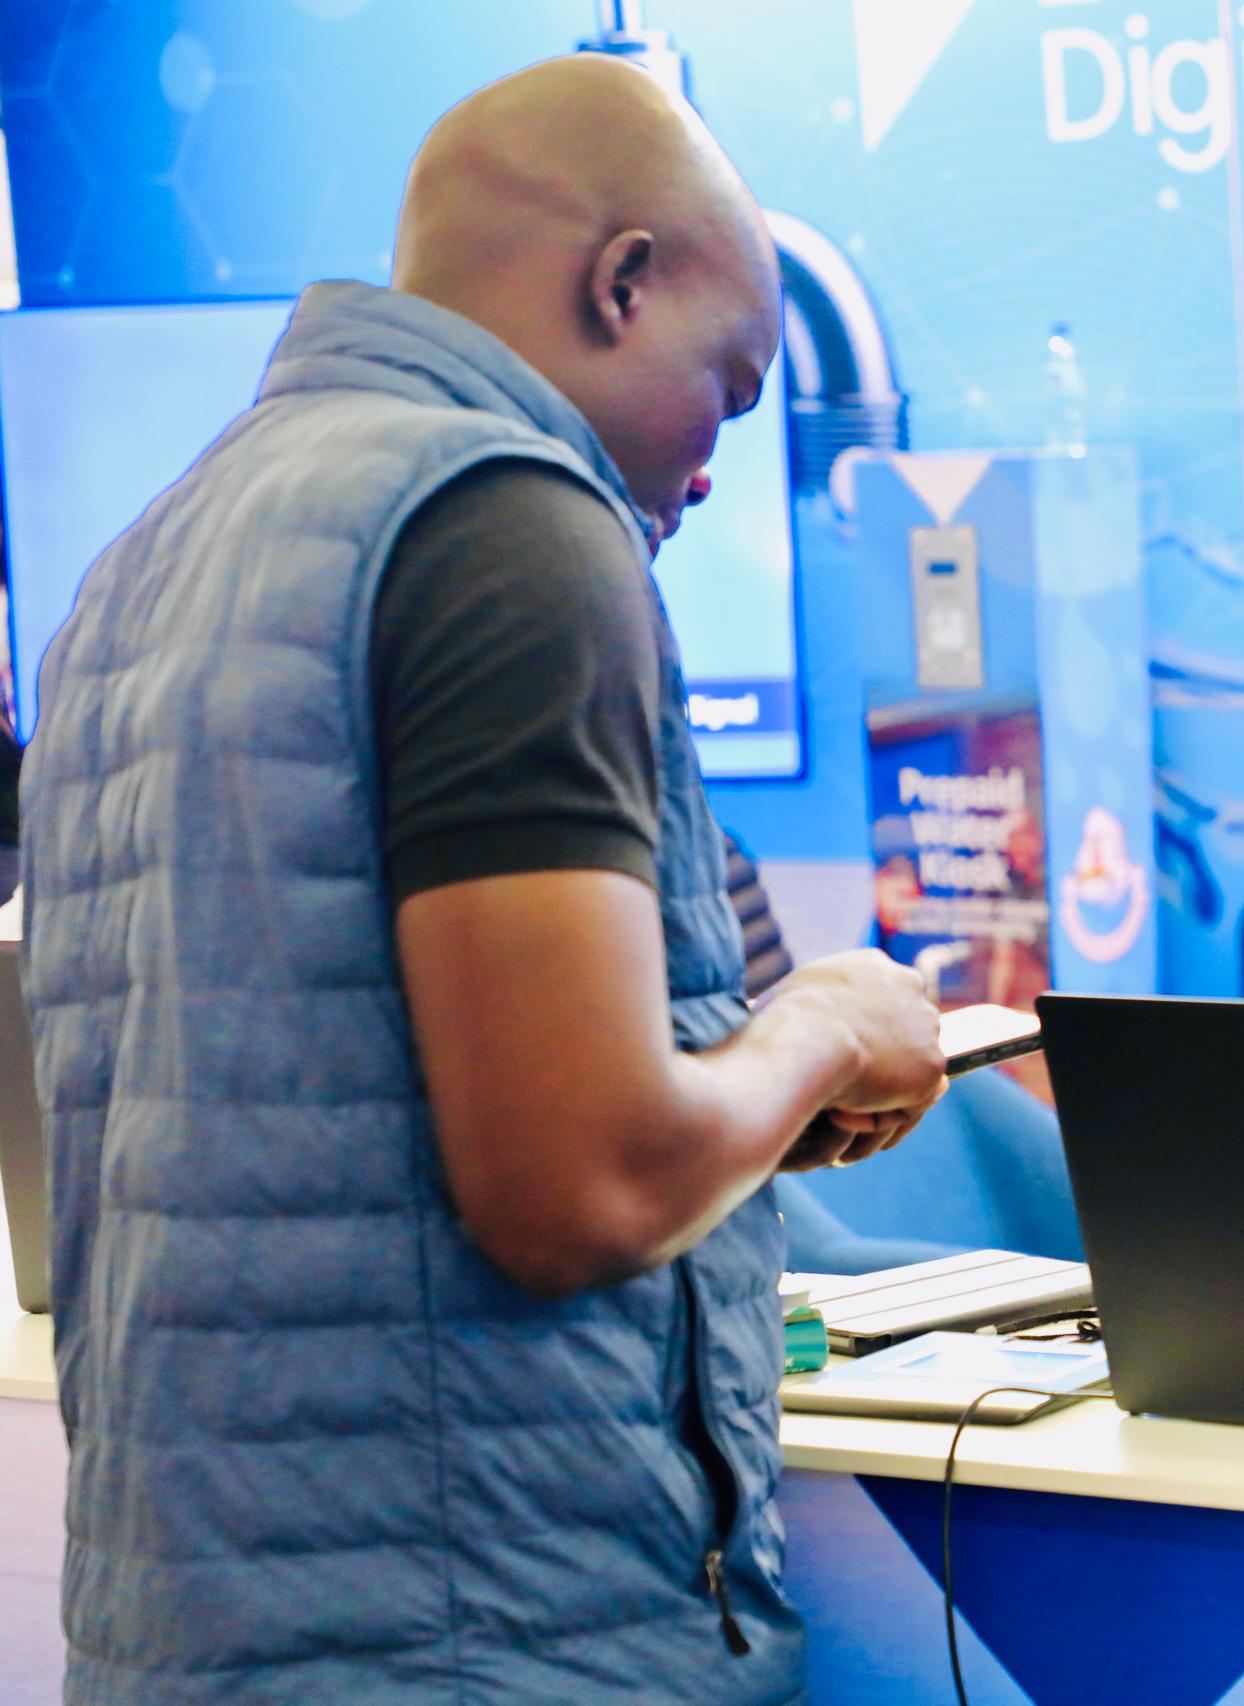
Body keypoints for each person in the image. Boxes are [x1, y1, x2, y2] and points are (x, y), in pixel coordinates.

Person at [21, 56, 946, 1703]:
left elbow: (344, 1105)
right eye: (728, 393)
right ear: (622, 281)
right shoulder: (508, 520)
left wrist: (730, 1094)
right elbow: (573, 1188)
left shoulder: (131, 571)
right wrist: (824, 1029)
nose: (713, 468)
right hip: (492, 1640)